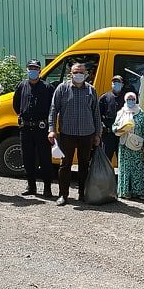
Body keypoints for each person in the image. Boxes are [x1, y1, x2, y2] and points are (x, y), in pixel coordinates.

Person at [48, 62, 102, 206]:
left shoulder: (91, 90)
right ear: (70, 74)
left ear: (86, 74)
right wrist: (51, 129)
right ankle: (63, 195)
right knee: (65, 165)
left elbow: (96, 113)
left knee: (84, 165)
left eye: (81, 72)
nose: (79, 74)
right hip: (67, 133)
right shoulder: (62, 88)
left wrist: (98, 134)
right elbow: (53, 110)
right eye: (76, 72)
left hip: (87, 133)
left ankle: (82, 194)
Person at [13, 59, 55, 197]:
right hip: (25, 128)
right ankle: (31, 186)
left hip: (41, 128)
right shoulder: (21, 86)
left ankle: (47, 188)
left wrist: (50, 127)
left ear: (40, 70)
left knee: (45, 159)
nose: (33, 71)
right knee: (27, 158)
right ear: (27, 70)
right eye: (30, 68)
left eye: (35, 68)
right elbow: (16, 104)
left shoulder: (47, 88)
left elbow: (53, 108)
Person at [113, 92, 144, 199]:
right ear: (125, 100)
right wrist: (120, 129)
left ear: (136, 99)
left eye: (133, 99)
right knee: (125, 169)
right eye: (129, 99)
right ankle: (125, 191)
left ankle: (139, 192)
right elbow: (114, 127)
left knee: (138, 169)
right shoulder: (121, 112)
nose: (131, 101)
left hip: (137, 145)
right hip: (125, 145)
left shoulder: (140, 113)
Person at [99, 75, 126, 161]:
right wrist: (102, 126)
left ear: (122, 84)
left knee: (122, 160)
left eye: (118, 82)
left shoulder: (127, 98)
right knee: (105, 159)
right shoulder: (105, 97)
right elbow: (97, 114)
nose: (116, 84)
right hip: (108, 135)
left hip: (122, 134)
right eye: (114, 82)